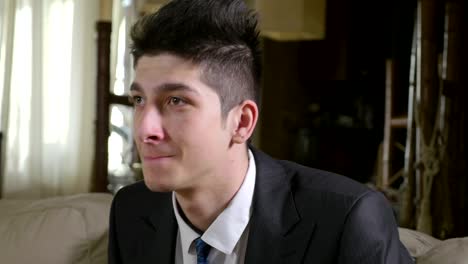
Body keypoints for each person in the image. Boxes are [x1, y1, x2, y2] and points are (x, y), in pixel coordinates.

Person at [108, 0, 413, 263]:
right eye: (139, 100)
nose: (145, 129)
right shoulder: (131, 211)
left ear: (241, 122)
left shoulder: (348, 221)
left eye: (177, 101)